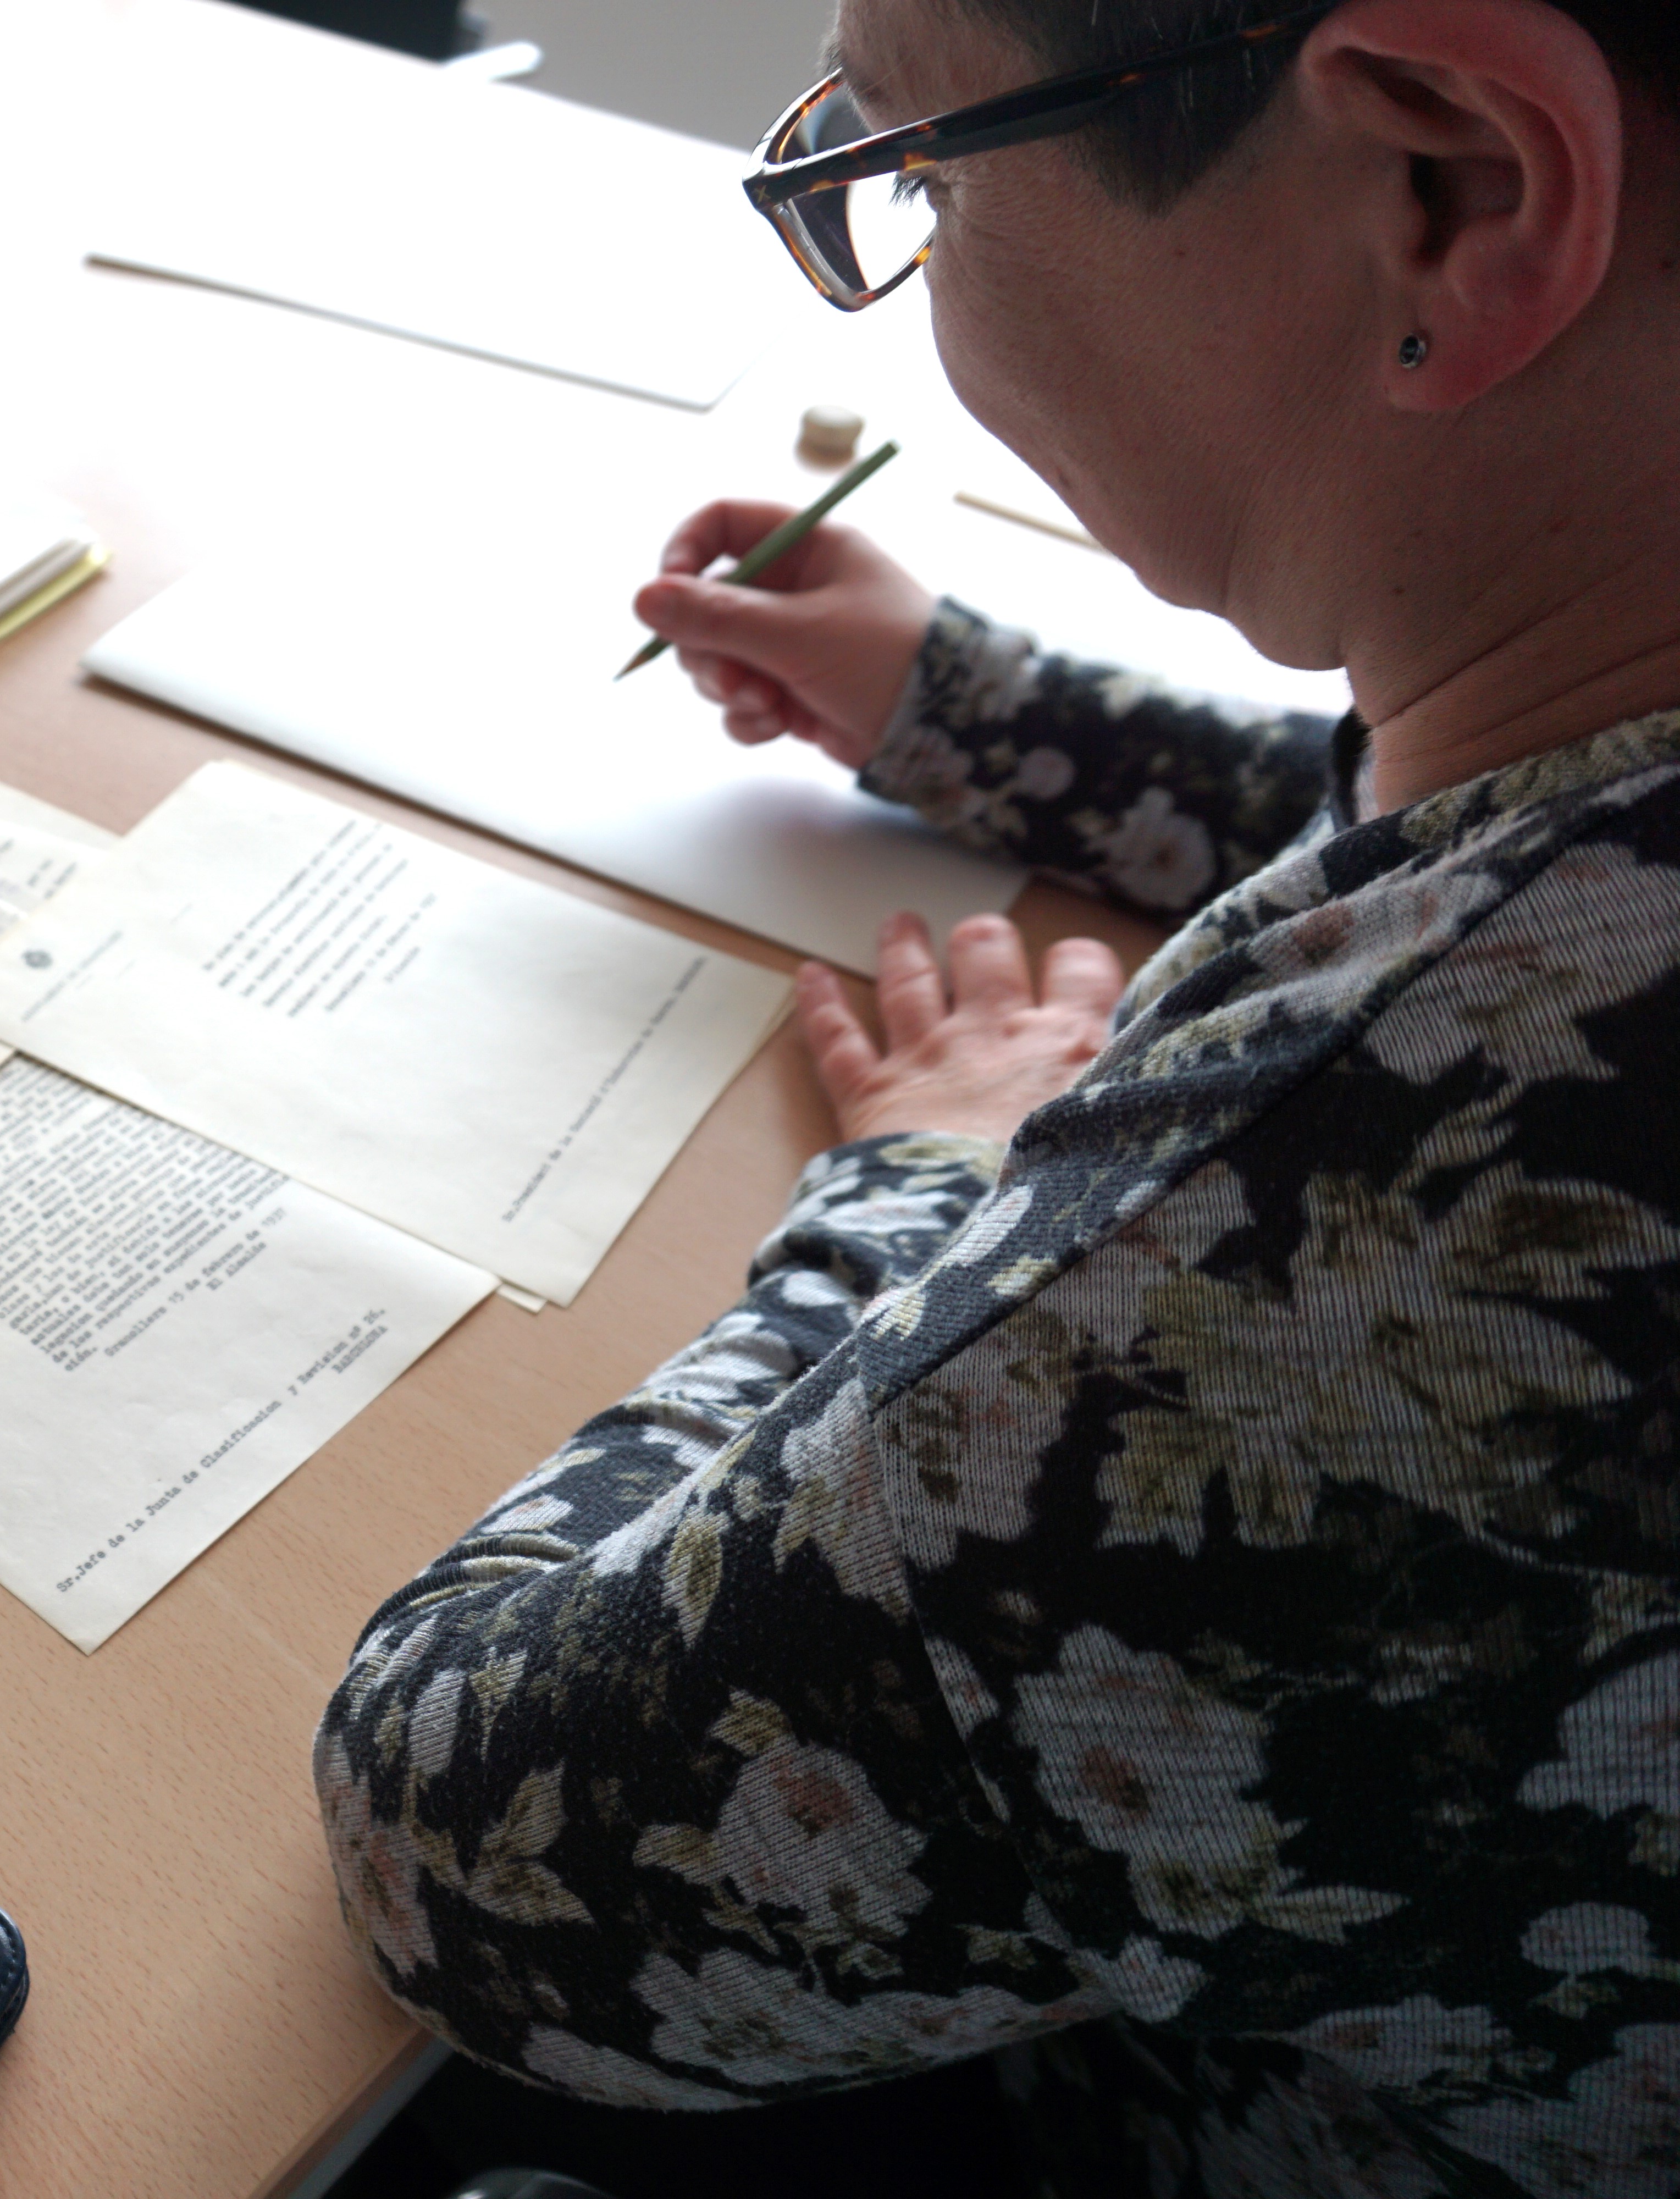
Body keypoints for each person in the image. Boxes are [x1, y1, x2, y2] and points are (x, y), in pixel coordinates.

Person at [313, 1, 1680, 2191]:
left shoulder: (1347, 1263)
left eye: (925, 169)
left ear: (1458, 188)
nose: (911, 239)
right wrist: (977, 710)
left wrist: (917, 1196)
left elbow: (464, 1850)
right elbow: (1476, 797)